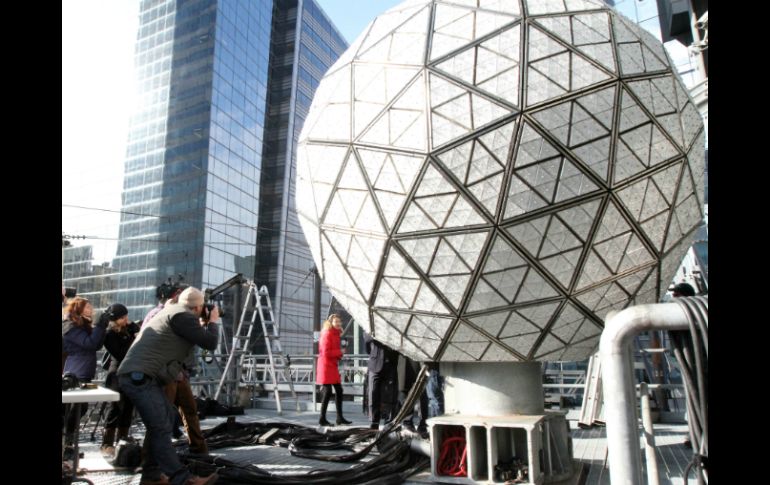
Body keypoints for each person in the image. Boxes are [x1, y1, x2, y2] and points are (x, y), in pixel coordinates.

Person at [117, 287, 219, 485]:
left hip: (141, 376)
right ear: (198, 307)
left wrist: (202, 322)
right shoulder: (183, 316)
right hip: (140, 378)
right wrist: (213, 321)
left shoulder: (171, 311)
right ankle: (183, 479)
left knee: (167, 418)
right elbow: (210, 343)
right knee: (161, 427)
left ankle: (151, 475)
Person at [62, 297, 107, 445]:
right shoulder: (69, 327)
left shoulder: (81, 325)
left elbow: (97, 345)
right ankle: (67, 438)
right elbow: (90, 344)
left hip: (84, 372)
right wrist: (100, 326)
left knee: (81, 406)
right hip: (76, 372)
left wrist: (102, 326)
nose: (91, 310)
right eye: (87, 307)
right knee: (77, 407)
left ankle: (68, 440)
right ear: (78, 309)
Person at [100, 303, 139, 456]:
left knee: (128, 407)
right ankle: (107, 443)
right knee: (115, 408)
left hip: (130, 372)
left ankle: (122, 440)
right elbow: (120, 353)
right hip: (116, 374)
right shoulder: (109, 334)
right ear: (114, 319)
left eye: (126, 316)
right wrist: (133, 340)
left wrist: (132, 327)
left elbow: (138, 332)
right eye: (122, 317)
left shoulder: (128, 329)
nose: (126, 320)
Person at [316, 314, 352, 426]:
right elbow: (325, 352)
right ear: (330, 322)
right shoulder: (326, 334)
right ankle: (322, 419)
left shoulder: (336, 334)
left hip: (332, 365)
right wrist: (339, 352)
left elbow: (334, 351)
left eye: (339, 322)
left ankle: (339, 418)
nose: (338, 324)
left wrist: (340, 353)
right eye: (336, 322)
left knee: (339, 390)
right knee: (327, 392)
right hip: (326, 366)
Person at [364, 332, 399, 430]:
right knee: (373, 393)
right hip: (375, 363)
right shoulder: (371, 323)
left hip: (390, 362)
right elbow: (367, 340)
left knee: (390, 394)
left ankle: (389, 420)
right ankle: (374, 421)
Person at [398, 355, 429, 437]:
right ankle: (407, 423)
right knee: (404, 388)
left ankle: (423, 425)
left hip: (421, 356)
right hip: (403, 356)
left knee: (423, 390)